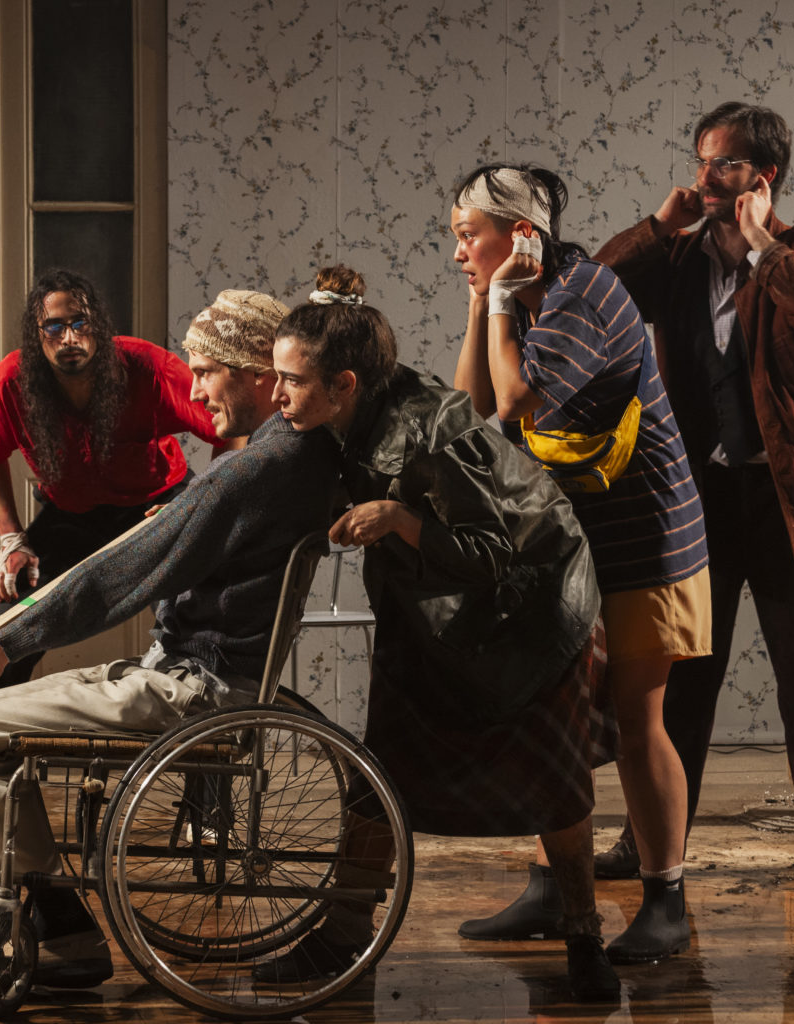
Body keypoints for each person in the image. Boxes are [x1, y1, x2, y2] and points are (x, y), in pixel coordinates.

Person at [0, 289, 342, 989]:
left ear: (259, 376)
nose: (196, 387)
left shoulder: (253, 469)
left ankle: (57, 930)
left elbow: (126, 574)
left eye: (208, 370)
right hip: (191, 675)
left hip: (191, 691)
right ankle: (48, 913)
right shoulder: (291, 453)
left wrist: (5, 644)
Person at [254, 266, 619, 1002]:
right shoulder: (344, 416)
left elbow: (495, 553)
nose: (277, 395)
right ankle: (342, 934)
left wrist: (398, 521)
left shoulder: (429, 436)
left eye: (290, 381)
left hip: (529, 616)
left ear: (345, 382)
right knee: (376, 778)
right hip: (432, 617)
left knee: (555, 785)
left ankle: (584, 939)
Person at [594, 103, 794, 885]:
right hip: (697, 499)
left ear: (763, 175)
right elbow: (600, 293)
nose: (704, 177)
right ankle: (652, 840)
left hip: (789, 502)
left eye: (722, 164)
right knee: (679, 678)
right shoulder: (676, 261)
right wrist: (659, 223)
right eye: (700, 160)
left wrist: (757, 242)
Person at [449, 165, 712, 964]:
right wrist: (481, 302)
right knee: (554, 714)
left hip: (647, 542)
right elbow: (469, 413)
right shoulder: (527, 297)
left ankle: (666, 899)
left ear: (521, 236)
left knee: (637, 720)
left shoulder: (580, 297)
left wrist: (496, 306)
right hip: (583, 543)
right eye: (454, 236)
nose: (458, 250)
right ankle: (551, 885)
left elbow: (512, 407)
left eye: (470, 236)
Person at [0, 268, 222, 840]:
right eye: (53, 327)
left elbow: (228, 431)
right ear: (37, 335)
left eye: (80, 323)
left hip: (158, 507)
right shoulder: (15, 379)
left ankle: (208, 816)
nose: (69, 337)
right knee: (5, 634)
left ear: (98, 327)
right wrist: (12, 537)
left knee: (199, 635)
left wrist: (194, 508)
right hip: (70, 515)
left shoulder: (146, 367)